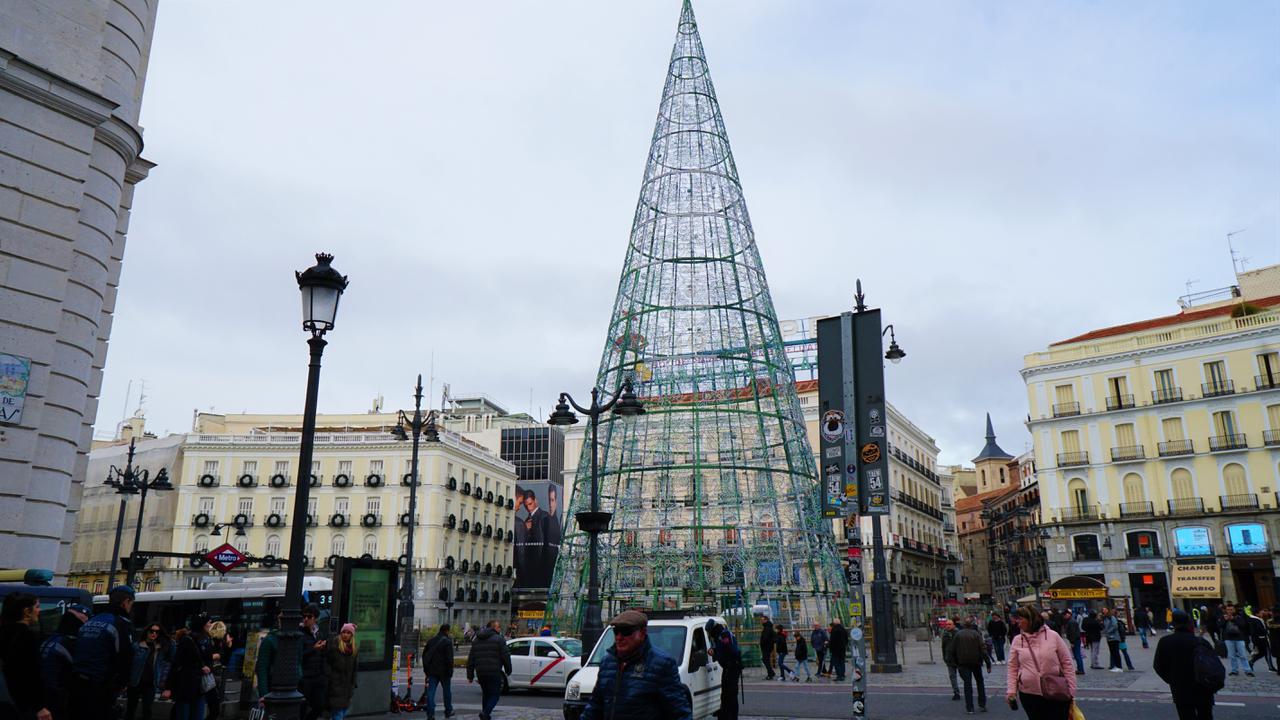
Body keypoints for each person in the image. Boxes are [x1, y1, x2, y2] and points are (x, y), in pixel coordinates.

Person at [580, 610, 691, 720]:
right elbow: (595, 706)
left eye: (626, 631)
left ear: (642, 633)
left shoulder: (662, 665)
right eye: (616, 631)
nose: (619, 637)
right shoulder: (607, 662)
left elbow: (679, 711)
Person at [70, 584, 137, 717]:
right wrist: (123, 682)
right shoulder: (121, 624)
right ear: (126, 602)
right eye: (131, 604)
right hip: (101, 685)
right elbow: (125, 656)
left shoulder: (92, 620)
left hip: (77, 682)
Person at [1007, 605, 1076, 720]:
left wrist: (1071, 689)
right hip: (1029, 693)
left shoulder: (1053, 636)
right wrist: (1011, 691)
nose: (1017, 622)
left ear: (1030, 619)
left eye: (1020, 618)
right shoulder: (1018, 640)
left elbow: (1067, 662)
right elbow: (1012, 667)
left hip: (1055, 691)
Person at [1154, 609, 1221, 720]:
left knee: (1186, 716)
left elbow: (1158, 665)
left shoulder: (1165, 641)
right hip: (1203, 686)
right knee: (1206, 716)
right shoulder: (1200, 641)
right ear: (1189, 622)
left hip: (1180, 688)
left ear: (1173, 624)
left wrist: (1171, 679)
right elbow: (1214, 664)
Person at [1, 592, 51, 720]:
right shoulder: (25, 636)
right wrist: (40, 707)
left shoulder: (4, 632)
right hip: (21, 704)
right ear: (27, 612)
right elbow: (30, 674)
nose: (39, 611)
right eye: (38, 607)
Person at [39, 603, 89, 720]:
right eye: (84, 621)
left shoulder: (51, 638)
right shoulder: (70, 643)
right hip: (57, 695)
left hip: (43, 692)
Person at [466, 620, 511, 720]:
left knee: (486, 694)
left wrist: (470, 675)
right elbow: (505, 656)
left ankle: (485, 714)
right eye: (499, 627)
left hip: (481, 672)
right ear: (494, 628)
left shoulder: (476, 640)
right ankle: (485, 713)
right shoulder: (499, 639)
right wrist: (508, 669)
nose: (500, 629)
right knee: (495, 694)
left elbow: (471, 659)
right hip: (494, 671)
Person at [164, 621, 210, 720]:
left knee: (196, 715)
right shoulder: (187, 640)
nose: (210, 625)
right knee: (185, 715)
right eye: (209, 622)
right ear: (202, 625)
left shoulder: (206, 640)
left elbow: (207, 659)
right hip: (186, 685)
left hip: (199, 686)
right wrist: (168, 687)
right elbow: (176, 664)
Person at [127, 623, 170, 720]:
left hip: (151, 683)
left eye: (157, 632)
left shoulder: (160, 648)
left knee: (147, 710)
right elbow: (129, 664)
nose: (154, 633)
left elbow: (166, 664)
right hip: (135, 682)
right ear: (146, 632)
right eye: (151, 631)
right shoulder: (136, 646)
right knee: (131, 709)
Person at [949, 619, 991, 715]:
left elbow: (952, 650)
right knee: (980, 682)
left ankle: (969, 707)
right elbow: (983, 649)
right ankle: (982, 704)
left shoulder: (958, 635)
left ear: (963, 625)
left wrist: (956, 663)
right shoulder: (976, 634)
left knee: (967, 685)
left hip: (963, 663)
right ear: (972, 625)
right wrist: (988, 663)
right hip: (976, 662)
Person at [299, 603, 329, 719]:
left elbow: (323, 655)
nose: (306, 619)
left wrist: (323, 648)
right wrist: (313, 649)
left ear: (315, 618)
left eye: (309, 617)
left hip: (318, 675)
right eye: (304, 616)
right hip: (305, 677)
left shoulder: (319, 632)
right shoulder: (300, 632)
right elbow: (298, 656)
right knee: (302, 707)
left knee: (319, 707)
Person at [706, 619, 741, 720]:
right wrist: (715, 650)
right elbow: (724, 649)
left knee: (731, 695)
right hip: (728, 668)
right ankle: (724, 716)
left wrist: (716, 654)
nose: (709, 634)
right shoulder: (721, 635)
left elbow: (732, 652)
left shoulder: (723, 635)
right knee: (725, 694)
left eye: (709, 632)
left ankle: (732, 717)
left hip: (732, 668)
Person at [421, 624, 456, 720]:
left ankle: (430, 713)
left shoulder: (431, 641)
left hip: (432, 671)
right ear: (447, 631)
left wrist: (426, 671)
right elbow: (449, 659)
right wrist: (450, 671)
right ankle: (448, 710)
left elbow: (424, 656)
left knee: (431, 692)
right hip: (444, 672)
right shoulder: (448, 642)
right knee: (447, 691)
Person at [325, 623, 358, 720]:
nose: (345, 635)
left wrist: (353, 684)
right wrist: (330, 678)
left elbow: (355, 669)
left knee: (342, 713)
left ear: (352, 635)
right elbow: (327, 663)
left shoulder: (354, 650)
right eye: (344, 632)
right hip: (335, 686)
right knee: (338, 714)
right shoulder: (335, 647)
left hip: (347, 688)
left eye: (348, 633)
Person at [1220, 605, 1251, 676]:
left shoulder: (1239, 617)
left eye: (1231, 609)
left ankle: (1247, 670)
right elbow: (1220, 626)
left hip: (1239, 638)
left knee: (1242, 655)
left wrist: (1233, 619)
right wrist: (1225, 620)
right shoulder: (1223, 617)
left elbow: (1243, 625)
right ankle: (1234, 670)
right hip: (1228, 638)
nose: (1229, 611)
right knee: (1231, 655)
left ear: (1234, 610)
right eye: (1228, 610)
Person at [941, 618, 961, 701]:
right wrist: (944, 657)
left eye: (949, 624)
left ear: (953, 625)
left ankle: (968, 689)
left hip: (959, 658)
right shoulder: (945, 634)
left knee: (964, 675)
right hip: (949, 658)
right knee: (952, 676)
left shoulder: (958, 633)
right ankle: (956, 692)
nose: (948, 626)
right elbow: (943, 647)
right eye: (947, 624)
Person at [1101, 607, 1123, 672]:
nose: (1104, 611)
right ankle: (1115, 666)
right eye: (1103, 610)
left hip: (1114, 637)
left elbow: (1115, 626)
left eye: (1105, 609)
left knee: (1116, 652)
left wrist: (1108, 631)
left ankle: (1119, 667)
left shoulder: (1111, 618)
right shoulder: (1104, 618)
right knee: (1112, 652)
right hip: (1109, 638)